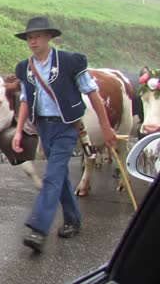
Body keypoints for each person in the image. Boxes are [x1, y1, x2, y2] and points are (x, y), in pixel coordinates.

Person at [11, 16, 117, 253]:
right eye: (29, 37)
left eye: (38, 36)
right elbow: (26, 100)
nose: (33, 40)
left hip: (66, 126)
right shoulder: (24, 67)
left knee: (53, 174)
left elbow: (92, 93)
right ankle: (73, 219)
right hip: (43, 128)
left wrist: (106, 126)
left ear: (50, 37)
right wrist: (18, 131)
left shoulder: (70, 62)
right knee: (58, 175)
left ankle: (38, 230)